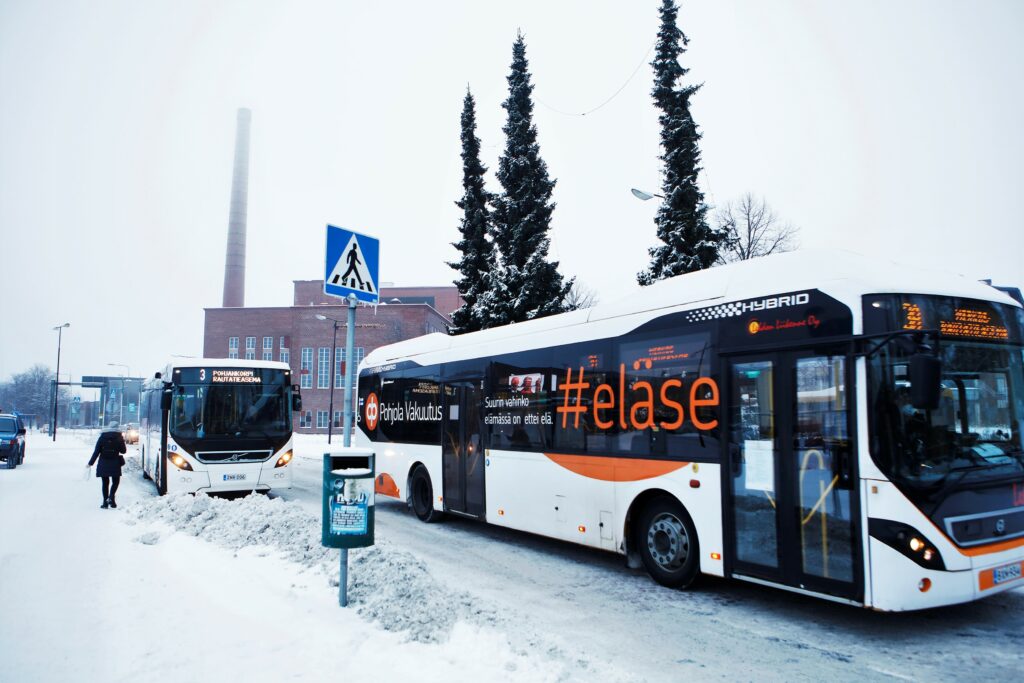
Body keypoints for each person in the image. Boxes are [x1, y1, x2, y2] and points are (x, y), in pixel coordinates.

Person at [88, 429, 126, 509]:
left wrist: (90, 463)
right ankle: (111, 497)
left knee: (105, 483)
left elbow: (96, 452)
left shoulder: (102, 437)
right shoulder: (119, 437)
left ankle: (105, 503)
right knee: (115, 482)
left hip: (103, 463)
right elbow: (123, 451)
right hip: (115, 463)